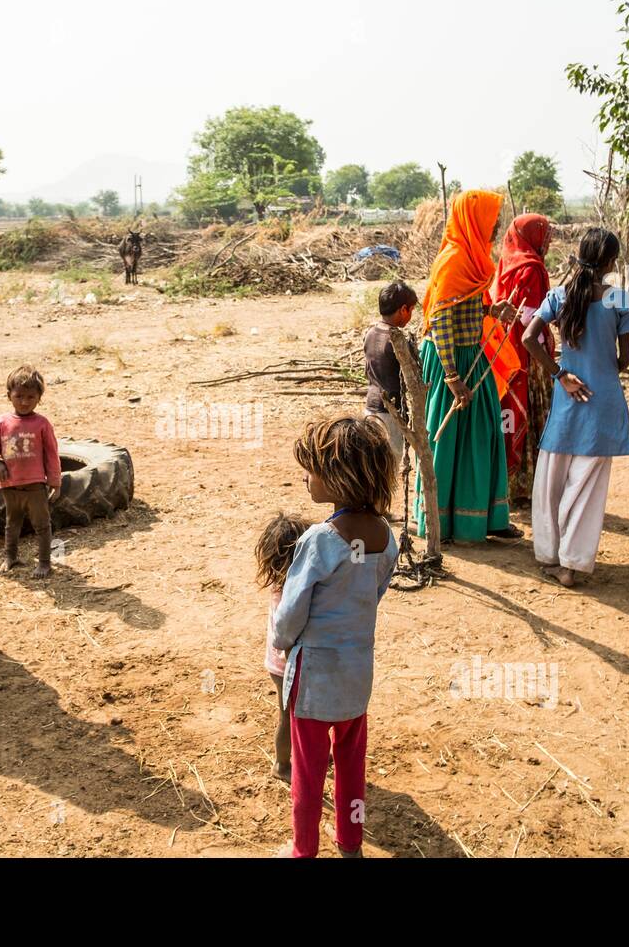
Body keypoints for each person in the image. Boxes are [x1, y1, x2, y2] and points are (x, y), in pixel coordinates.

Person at [270, 416, 399, 858]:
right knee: (350, 762)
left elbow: (290, 612)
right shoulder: (386, 537)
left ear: (340, 477)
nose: (305, 477)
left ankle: (303, 848)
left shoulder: (319, 540)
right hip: (357, 673)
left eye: (312, 468)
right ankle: (351, 842)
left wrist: (281, 642)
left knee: (308, 770)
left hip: (315, 677)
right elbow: (374, 592)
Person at [521, 227, 629, 587]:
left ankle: (551, 556)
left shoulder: (559, 296)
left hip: (567, 401)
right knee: (586, 490)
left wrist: (561, 374)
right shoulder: (618, 299)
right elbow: (624, 359)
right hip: (603, 404)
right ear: (610, 262)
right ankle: (571, 565)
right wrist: (601, 370)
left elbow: (528, 338)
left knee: (550, 483)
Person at [412, 190, 522, 543]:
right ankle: (442, 521)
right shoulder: (454, 260)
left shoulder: (473, 257)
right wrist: (453, 378)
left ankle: (482, 520)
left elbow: (464, 309)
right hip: (450, 360)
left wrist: (493, 310)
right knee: (447, 440)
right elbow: (440, 322)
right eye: (491, 219)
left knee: (482, 432)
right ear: (473, 220)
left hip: (469, 355)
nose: (496, 227)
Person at [484, 213, 553, 505]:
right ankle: (529, 486)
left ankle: (507, 487)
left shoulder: (505, 264)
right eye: (546, 235)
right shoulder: (532, 268)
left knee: (508, 411)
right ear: (534, 237)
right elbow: (532, 316)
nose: (548, 241)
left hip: (503, 353)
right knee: (533, 410)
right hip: (527, 352)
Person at [254, 511, 312, 785]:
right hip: (284, 665)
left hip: (290, 662)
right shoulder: (287, 592)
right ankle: (281, 763)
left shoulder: (287, 583)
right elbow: (287, 637)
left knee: (308, 710)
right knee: (288, 715)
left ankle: (316, 754)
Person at [0, 365, 61, 578]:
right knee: (12, 523)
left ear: (39, 398)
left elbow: (51, 453)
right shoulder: (2, 422)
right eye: (19, 396)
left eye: (31, 397)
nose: (24, 401)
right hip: (10, 485)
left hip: (35, 485)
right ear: (9, 395)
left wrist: (55, 482)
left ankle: (45, 563)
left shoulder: (42, 424)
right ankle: (10, 557)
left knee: (42, 525)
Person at [363, 280, 417, 470]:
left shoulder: (370, 333)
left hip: (370, 407)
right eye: (411, 310)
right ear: (403, 309)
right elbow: (414, 378)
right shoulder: (397, 339)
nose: (410, 315)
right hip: (390, 411)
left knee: (372, 465)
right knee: (390, 466)